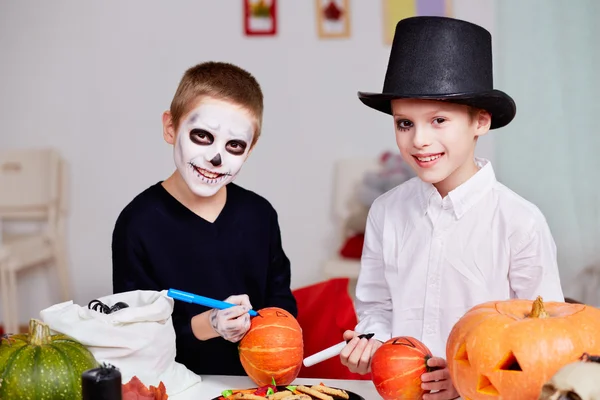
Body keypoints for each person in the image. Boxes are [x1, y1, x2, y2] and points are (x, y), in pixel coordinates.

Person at [339, 16, 564, 399]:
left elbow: (541, 339)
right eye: (404, 123)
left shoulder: (520, 222)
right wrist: (371, 342)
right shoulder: (385, 211)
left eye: (438, 120)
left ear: (480, 121)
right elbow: (376, 304)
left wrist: (468, 376)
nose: (419, 140)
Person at [111, 61, 298, 376]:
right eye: (202, 136)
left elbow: (282, 307)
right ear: (171, 128)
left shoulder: (260, 215)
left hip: (252, 383)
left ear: (250, 149)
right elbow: (136, 334)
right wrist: (209, 324)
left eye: (234, 145)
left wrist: (260, 322)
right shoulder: (137, 223)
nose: (216, 158)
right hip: (171, 384)